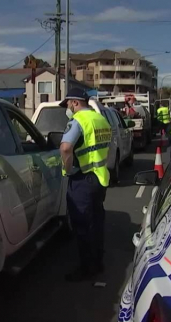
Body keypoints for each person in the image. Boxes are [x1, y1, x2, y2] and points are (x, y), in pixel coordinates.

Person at [59, 88, 112, 282]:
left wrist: (66, 168)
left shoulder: (78, 121)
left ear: (74, 102)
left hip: (83, 179)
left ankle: (87, 268)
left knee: (82, 225)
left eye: (67, 104)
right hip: (100, 177)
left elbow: (65, 147)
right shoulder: (101, 119)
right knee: (96, 222)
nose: (67, 108)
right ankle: (97, 262)